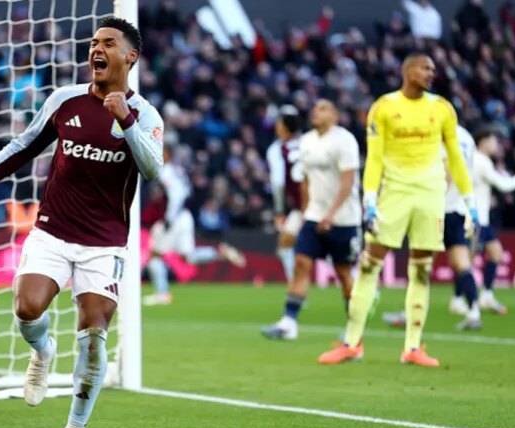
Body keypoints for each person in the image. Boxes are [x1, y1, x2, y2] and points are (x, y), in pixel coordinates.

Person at [0, 17, 162, 428]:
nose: (96, 49)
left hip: (104, 242)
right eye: (93, 42)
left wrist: (128, 122)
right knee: (27, 308)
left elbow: (152, 170)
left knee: (95, 335)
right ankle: (42, 351)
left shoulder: (146, 115)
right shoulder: (66, 101)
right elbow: (21, 147)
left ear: (130, 56)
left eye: (108, 43)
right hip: (53, 230)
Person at [318, 53, 478, 367]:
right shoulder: (384, 108)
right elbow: (374, 158)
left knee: (421, 269)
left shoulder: (442, 108)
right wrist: (370, 199)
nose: (431, 73)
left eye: (433, 69)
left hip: (431, 195)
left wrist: (469, 202)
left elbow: (455, 160)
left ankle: (413, 347)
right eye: (425, 68)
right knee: (368, 265)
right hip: (394, 193)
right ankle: (352, 342)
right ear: (407, 71)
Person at [261, 99, 361, 340]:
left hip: (344, 219)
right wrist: (307, 213)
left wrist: (331, 215)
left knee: (344, 272)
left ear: (335, 116)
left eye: (324, 108)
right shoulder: (306, 142)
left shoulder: (345, 140)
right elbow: (305, 181)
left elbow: (348, 182)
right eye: (315, 108)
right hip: (314, 216)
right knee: (301, 264)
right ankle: (288, 323)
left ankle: (354, 331)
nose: (316, 111)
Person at [382, 125, 482, 331]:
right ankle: (474, 312)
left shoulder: (442, 134)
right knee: (460, 263)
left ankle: (410, 314)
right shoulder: (467, 137)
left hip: (438, 209)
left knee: (421, 263)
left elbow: (447, 171)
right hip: (458, 209)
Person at [143, 145, 246, 306]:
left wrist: (169, 217)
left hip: (173, 218)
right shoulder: (178, 170)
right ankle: (219, 252)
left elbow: (176, 195)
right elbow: (187, 191)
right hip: (185, 216)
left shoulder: (166, 171)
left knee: (155, 255)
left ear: (167, 154)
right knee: (188, 257)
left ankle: (162, 293)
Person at [472, 129, 515, 313]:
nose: (496, 145)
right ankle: (464, 300)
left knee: (495, 254)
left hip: (482, 218)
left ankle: (485, 295)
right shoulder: (480, 161)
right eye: (494, 141)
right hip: (476, 217)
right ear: (483, 141)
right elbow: (503, 185)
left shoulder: (480, 160)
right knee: (468, 260)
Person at [266, 105, 303, 282]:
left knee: (285, 247)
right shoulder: (309, 142)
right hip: (319, 202)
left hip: (300, 207)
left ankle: (294, 288)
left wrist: (279, 211)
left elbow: (278, 183)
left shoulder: (276, 150)